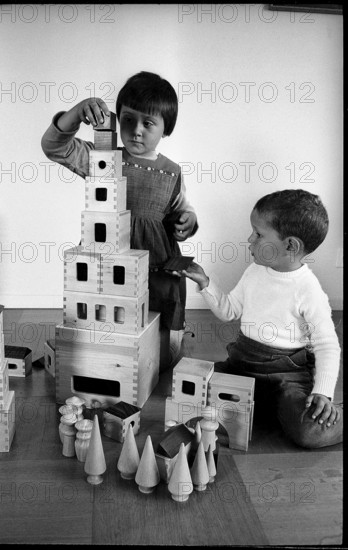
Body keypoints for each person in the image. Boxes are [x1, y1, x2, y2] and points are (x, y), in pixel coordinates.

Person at [41, 71, 198, 367]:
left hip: (157, 262)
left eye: (148, 123)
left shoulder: (172, 172)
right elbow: (55, 147)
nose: (136, 130)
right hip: (107, 259)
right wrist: (75, 114)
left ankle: (159, 359)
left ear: (166, 129)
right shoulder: (103, 157)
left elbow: (181, 210)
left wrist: (187, 221)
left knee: (160, 337)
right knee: (104, 319)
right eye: (128, 119)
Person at [181, 189, 342, 449]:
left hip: (285, 376)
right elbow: (229, 311)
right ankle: (262, 412)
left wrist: (322, 392)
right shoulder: (254, 272)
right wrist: (205, 283)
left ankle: (311, 413)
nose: (249, 239)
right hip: (241, 366)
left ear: (290, 245)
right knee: (189, 387)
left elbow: (327, 345)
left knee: (310, 432)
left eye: (258, 234)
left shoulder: (308, 289)